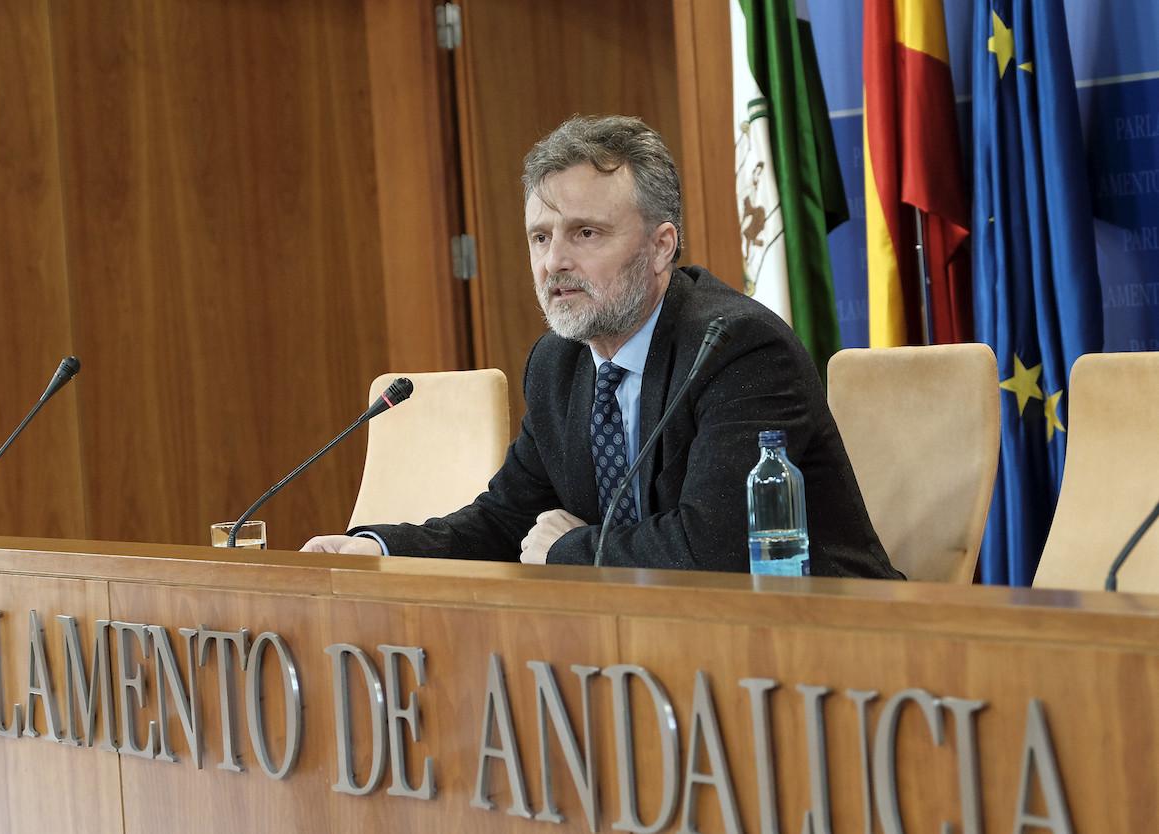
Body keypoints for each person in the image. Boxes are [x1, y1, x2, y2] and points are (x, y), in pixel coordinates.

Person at [304, 115, 901, 579]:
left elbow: (716, 552)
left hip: (831, 653)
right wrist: (375, 548)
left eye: (585, 233)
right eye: (540, 237)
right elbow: (505, 521)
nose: (554, 262)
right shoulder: (559, 363)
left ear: (661, 246)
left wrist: (567, 548)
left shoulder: (736, 348)